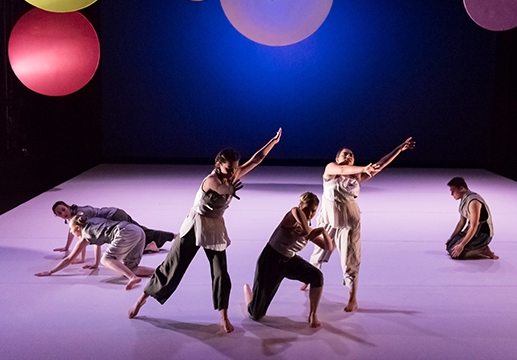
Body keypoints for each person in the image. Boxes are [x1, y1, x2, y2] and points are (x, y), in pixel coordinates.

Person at [128, 128, 282, 333]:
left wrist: (272, 142)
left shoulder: (232, 173)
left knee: (220, 272)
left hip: (214, 227)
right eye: (228, 168)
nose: (232, 171)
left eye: (234, 167)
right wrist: (230, 188)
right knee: (172, 268)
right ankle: (141, 299)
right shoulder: (212, 180)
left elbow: (256, 159)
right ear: (218, 164)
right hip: (195, 225)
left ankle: (223, 316)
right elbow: (221, 190)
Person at [305, 137, 415, 312]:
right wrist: (363, 167)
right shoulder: (330, 169)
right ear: (338, 157)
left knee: (350, 260)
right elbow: (341, 169)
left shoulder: (357, 178)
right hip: (328, 221)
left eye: (352, 155)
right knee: (318, 253)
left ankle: (352, 298)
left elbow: (381, 164)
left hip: (349, 222)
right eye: (345, 154)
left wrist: (399, 149)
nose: (348, 156)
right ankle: (308, 277)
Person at [244, 192, 333, 328]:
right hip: (270, 260)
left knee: (317, 276)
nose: (310, 214)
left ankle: (313, 314)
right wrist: (306, 231)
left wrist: (323, 231)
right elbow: (295, 210)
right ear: (301, 205)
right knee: (256, 314)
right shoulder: (291, 218)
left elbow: (328, 246)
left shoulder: (309, 230)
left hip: (290, 261)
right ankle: (248, 295)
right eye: (307, 210)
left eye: (313, 211)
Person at [35, 214, 155, 290]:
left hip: (125, 231)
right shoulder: (93, 225)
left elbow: (69, 259)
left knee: (106, 259)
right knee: (130, 267)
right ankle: (159, 272)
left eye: (71, 230)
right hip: (137, 230)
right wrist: (96, 264)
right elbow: (97, 245)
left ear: (77, 228)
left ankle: (132, 277)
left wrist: (51, 271)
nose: (71, 233)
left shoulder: (85, 236)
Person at [52, 202, 176, 256]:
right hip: (115, 213)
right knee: (140, 230)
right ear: (57, 216)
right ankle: (169, 237)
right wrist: (67, 247)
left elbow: (84, 237)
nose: (63, 213)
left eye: (63, 209)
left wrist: (81, 258)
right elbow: (72, 233)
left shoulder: (79, 214)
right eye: (59, 213)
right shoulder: (72, 218)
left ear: (68, 207)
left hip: (114, 216)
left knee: (132, 236)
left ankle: (150, 245)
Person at [446, 177, 498, 260]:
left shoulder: (473, 201)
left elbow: (474, 226)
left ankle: (483, 249)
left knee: (457, 254)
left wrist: (461, 245)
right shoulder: (464, 199)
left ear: (461, 189)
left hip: (482, 233)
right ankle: (472, 247)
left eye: (453, 191)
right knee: (449, 246)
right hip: (473, 230)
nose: (451, 194)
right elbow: (461, 222)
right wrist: (452, 237)